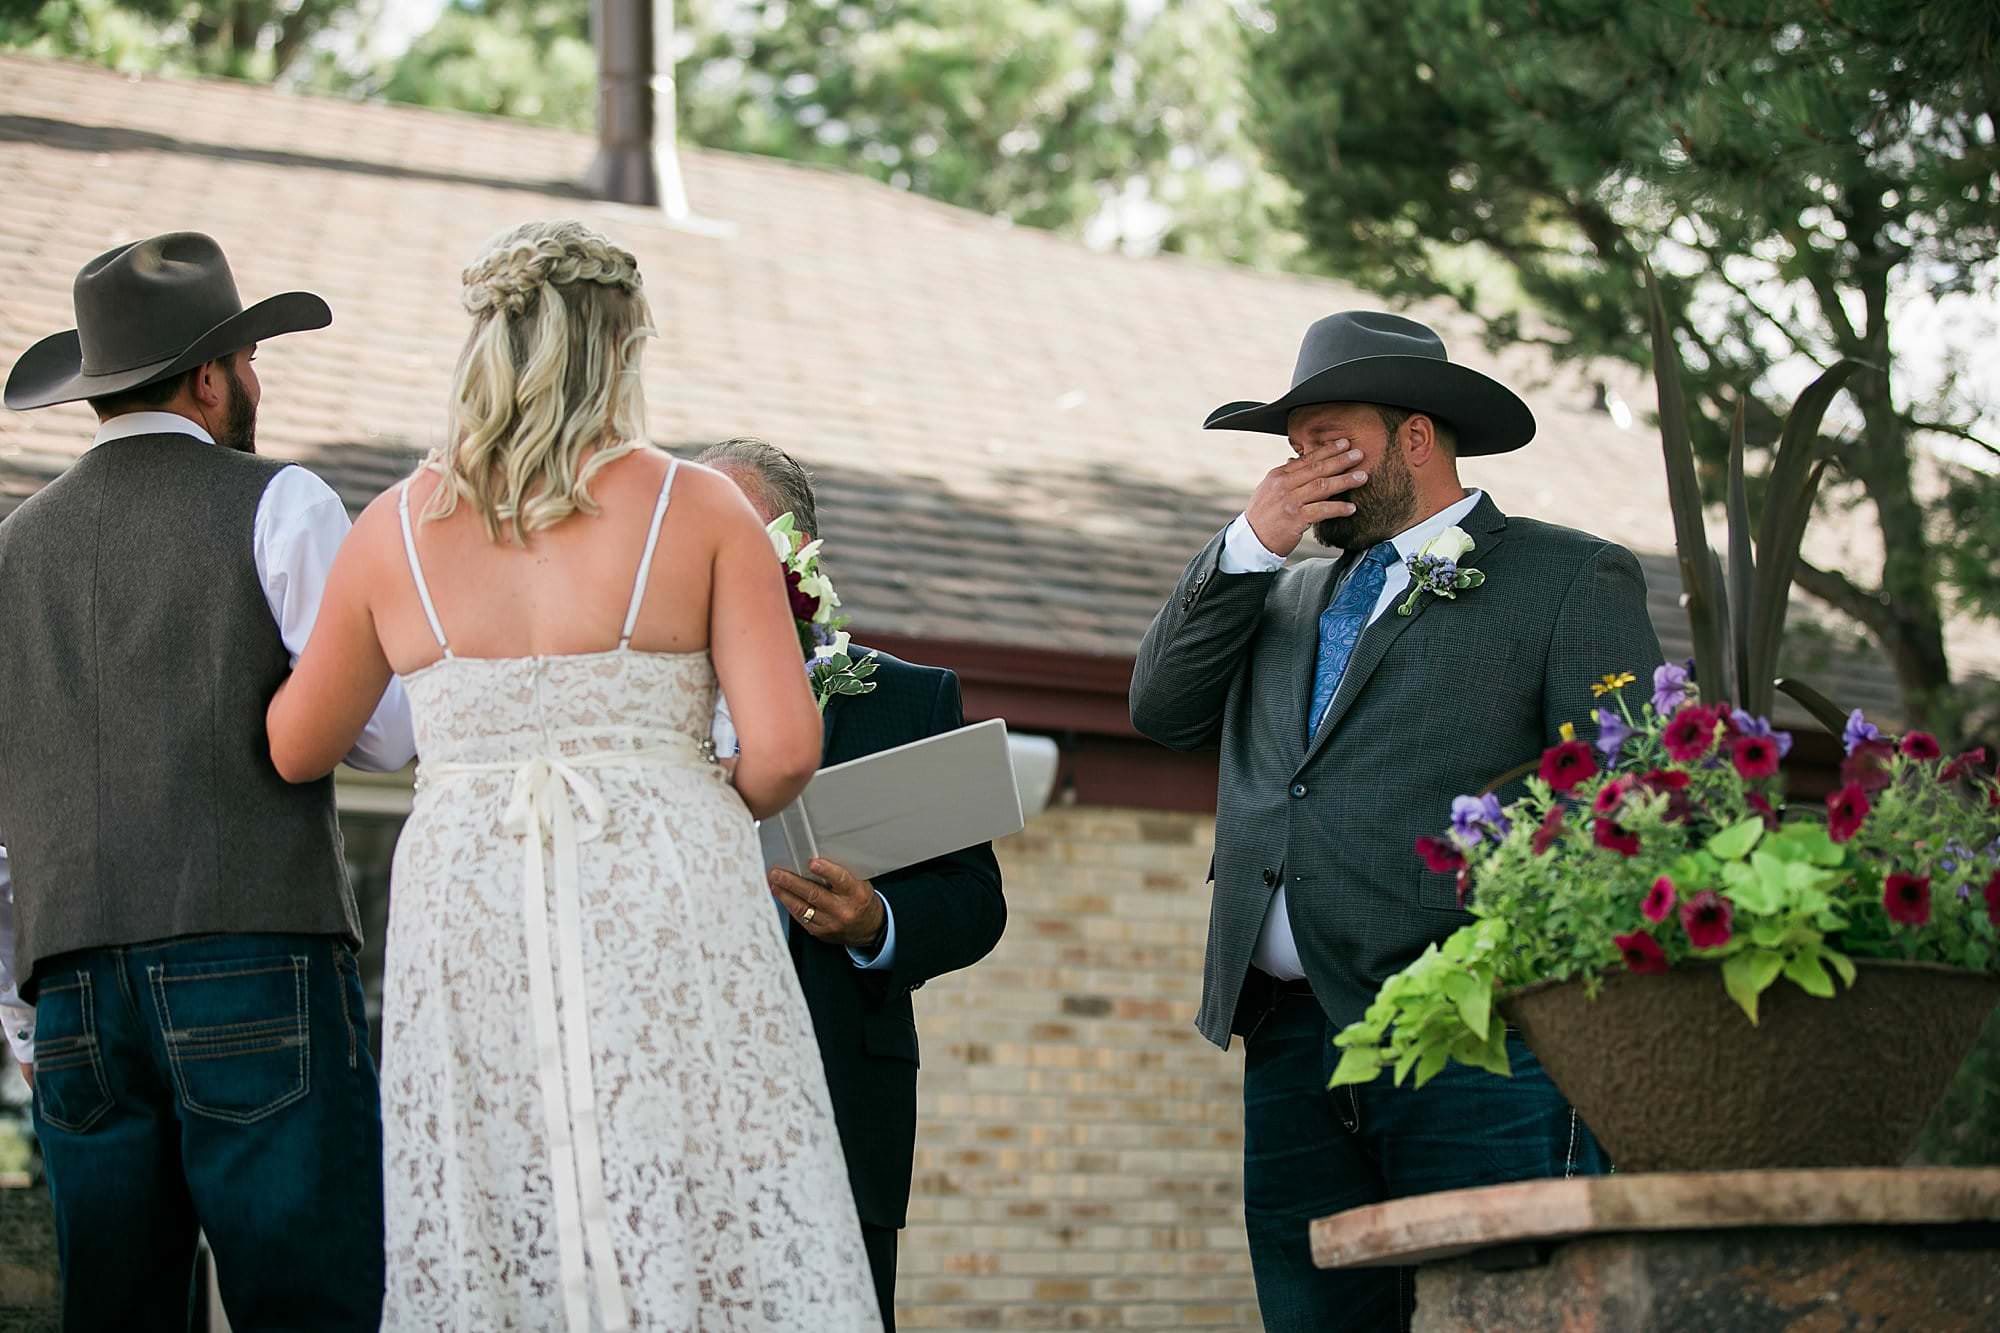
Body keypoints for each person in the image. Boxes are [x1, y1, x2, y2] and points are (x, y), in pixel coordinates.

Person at [265, 221, 882, 1330]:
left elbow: (299, 747)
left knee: (498, 1171)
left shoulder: (391, 529)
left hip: (473, 888)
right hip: (664, 879)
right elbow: (785, 750)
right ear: (622, 347)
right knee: (692, 1163)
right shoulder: (698, 508)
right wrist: (673, 799)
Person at [1128, 311, 1666, 1332]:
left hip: (1479, 1044)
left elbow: (1623, 800)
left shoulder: (1565, 576)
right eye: (1293, 446)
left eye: (1329, 439)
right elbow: (1159, 710)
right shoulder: (1273, 595)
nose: (1304, 467)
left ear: (1414, 437)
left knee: (1509, 1312)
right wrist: (1247, 544)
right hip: (1291, 1044)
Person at [0, 232, 415, 1330]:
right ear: (206, 376)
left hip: (71, 992)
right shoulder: (280, 501)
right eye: (247, 358)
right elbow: (382, 735)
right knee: (310, 1304)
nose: (257, 381)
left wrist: (16, 1006)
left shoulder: (9, 551)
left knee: (117, 1314)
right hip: (254, 956)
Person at [699, 438, 1007, 1331]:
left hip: (839, 1097)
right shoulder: (644, 696)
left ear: (798, 553)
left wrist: (878, 919)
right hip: (679, 1094)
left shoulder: (905, 701)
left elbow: (976, 902)